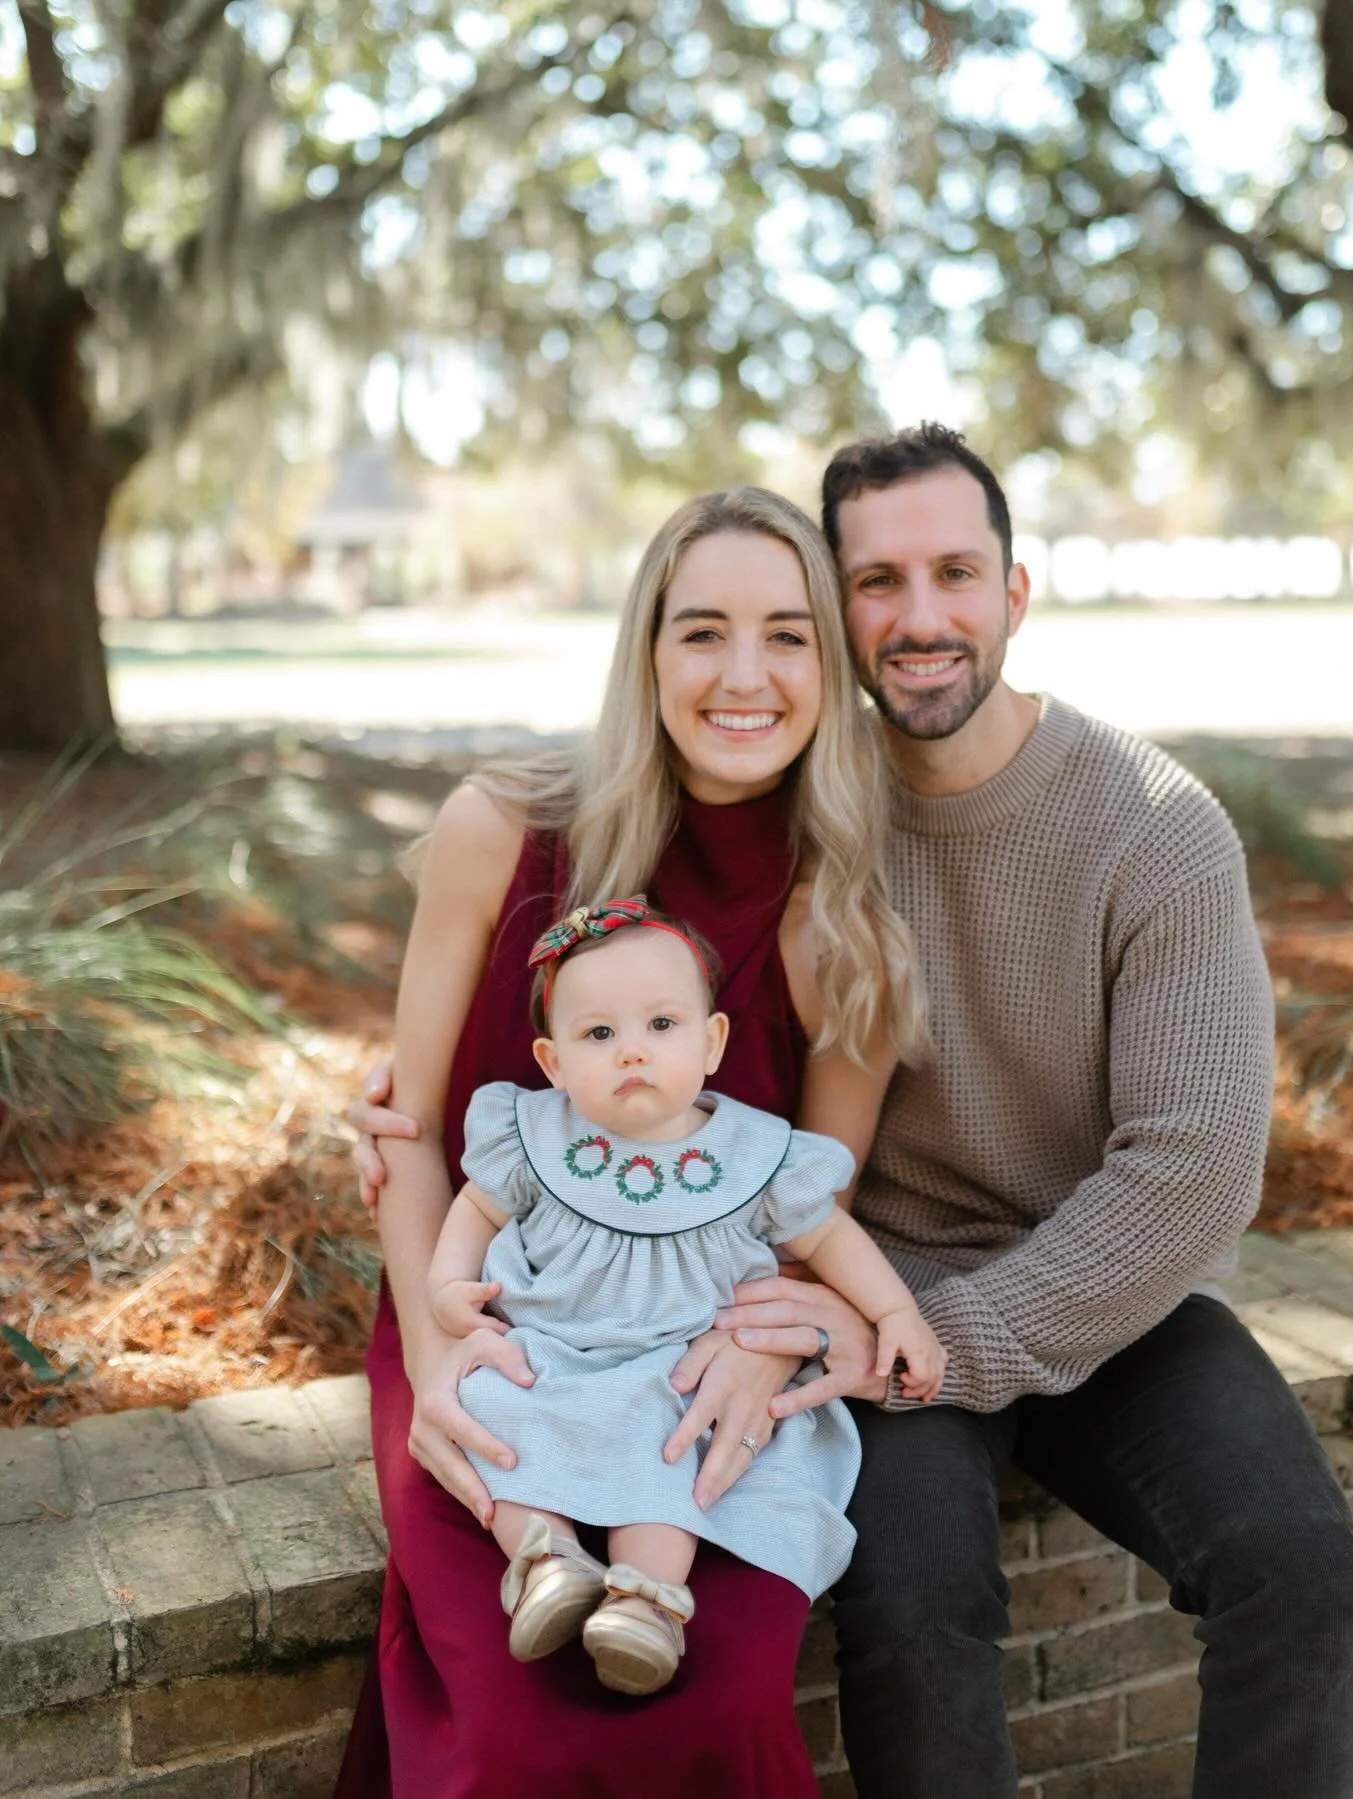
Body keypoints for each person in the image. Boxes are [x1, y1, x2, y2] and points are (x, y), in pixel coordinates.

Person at [352, 426, 1353, 1798]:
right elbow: (522, 1062)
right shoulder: (805, 805)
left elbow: (1191, 1174)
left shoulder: (1150, 824)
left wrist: (912, 1331)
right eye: (879, 582)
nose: (921, 616)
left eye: (957, 572)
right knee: (913, 1607)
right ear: (844, 620)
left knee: (1299, 1561)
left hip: (1054, 1300)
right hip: (846, 1296)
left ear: (1016, 591)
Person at [334, 484, 928, 1798]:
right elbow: (408, 1130)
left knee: (715, 1699)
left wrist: (763, 1344)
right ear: (645, 649)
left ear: (830, 665)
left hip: (701, 1368)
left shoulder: (844, 927)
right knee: (514, 1728)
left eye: (788, 635)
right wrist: (444, 1363)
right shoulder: (502, 829)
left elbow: (811, 1221)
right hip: (499, 1329)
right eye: (702, 629)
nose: (744, 676)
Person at [430, 901, 944, 1697]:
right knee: (493, 1404)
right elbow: (475, 1208)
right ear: (554, 1060)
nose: (631, 1049)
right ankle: (544, 1558)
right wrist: (448, 1288)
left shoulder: (756, 1156)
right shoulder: (533, 1133)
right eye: (598, 1034)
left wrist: (896, 1312)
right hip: (551, 1348)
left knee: (672, 1442)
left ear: (710, 1044)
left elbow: (830, 1240)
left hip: (677, 1362)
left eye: (661, 1024)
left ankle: (646, 1600)